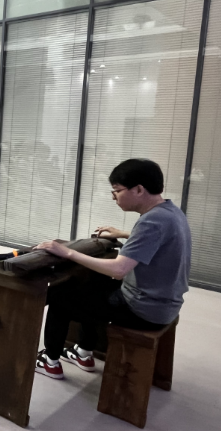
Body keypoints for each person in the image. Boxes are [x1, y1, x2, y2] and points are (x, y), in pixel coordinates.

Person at [33, 159, 191, 380]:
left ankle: (50, 362)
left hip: (145, 309)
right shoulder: (170, 211)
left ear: (138, 189)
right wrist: (123, 233)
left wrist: (67, 252)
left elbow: (119, 269)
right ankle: (83, 353)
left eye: (116, 190)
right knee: (92, 284)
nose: (113, 197)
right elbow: (159, 239)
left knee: (60, 297)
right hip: (165, 303)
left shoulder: (152, 221)